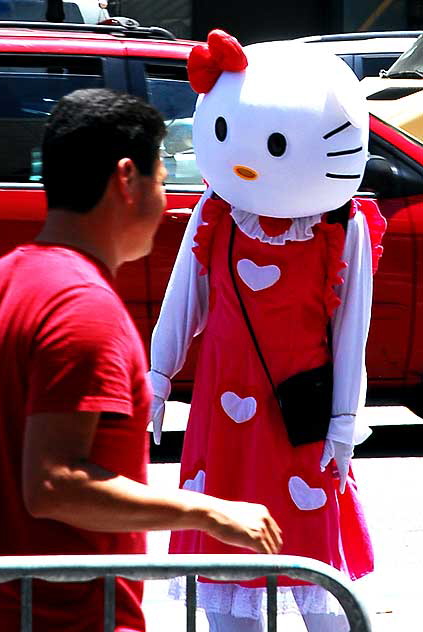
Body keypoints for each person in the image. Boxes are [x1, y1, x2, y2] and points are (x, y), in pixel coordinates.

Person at [0, 88, 282, 632]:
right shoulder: (84, 307)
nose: (165, 200)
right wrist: (209, 511)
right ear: (126, 179)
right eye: (162, 179)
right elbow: (55, 484)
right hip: (70, 619)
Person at [149, 31, 384, 631]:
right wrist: (157, 373)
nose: (250, 160)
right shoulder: (218, 209)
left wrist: (344, 423)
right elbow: (186, 298)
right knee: (227, 557)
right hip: (222, 416)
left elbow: (352, 328)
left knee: (312, 563)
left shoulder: (340, 224)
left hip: (299, 412)